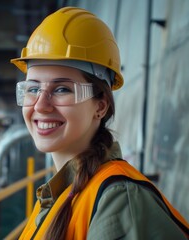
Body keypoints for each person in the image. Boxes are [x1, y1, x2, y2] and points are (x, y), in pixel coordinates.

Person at [11, 6, 189, 239]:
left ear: (100, 105)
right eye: (33, 88)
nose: (41, 105)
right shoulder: (59, 193)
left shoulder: (118, 200)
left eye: (62, 89)